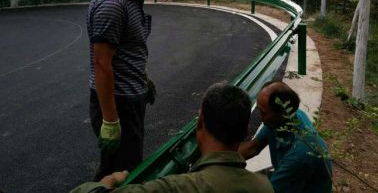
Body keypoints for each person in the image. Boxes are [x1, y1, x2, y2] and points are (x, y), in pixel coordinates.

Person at [72, 83, 274, 193]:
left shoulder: (177, 187)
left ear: (200, 123)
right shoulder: (264, 186)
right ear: (246, 130)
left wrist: (106, 182)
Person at [87, 0, 168, 180]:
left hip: (130, 96)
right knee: (123, 175)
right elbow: (102, 63)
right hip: (118, 102)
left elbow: (127, 49)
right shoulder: (113, 3)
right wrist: (111, 121)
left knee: (122, 168)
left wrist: (142, 77)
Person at [238, 81, 332, 193]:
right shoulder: (281, 121)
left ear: (282, 114)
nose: (260, 116)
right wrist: (218, 158)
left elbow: (273, 190)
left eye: (263, 112)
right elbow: (253, 147)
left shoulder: (301, 154)